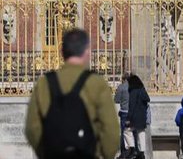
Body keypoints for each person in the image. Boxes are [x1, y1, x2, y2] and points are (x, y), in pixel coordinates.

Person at [25, 28, 119, 159]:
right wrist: (106, 154)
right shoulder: (96, 82)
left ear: (62, 52)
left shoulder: (44, 82)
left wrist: (45, 153)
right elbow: (111, 130)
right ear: (87, 52)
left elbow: (32, 128)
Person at [126, 75, 150, 159]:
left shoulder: (133, 91)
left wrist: (128, 118)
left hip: (134, 117)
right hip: (142, 116)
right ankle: (142, 152)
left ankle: (132, 149)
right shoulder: (142, 90)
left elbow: (131, 106)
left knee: (127, 131)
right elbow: (147, 99)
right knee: (141, 133)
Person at [115, 73, 132, 159]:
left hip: (124, 112)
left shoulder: (121, 87)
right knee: (133, 133)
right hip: (133, 113)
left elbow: (116, 100)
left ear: (123, 79)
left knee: (123, 133)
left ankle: (124, 154)